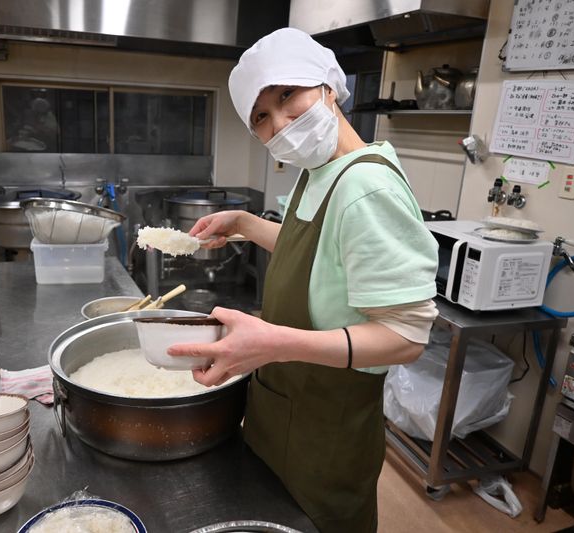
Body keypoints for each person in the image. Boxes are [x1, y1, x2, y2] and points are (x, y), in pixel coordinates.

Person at [167, 28, 439, 533]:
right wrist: (245, 224)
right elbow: (316, 251)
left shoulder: (365, 186)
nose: (281, 122)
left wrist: (271, 342)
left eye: (288, 95)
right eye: (261, 118)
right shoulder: (320, 174)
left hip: (326, 431)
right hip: (282, 406)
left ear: (328, 87)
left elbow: (407, 337)